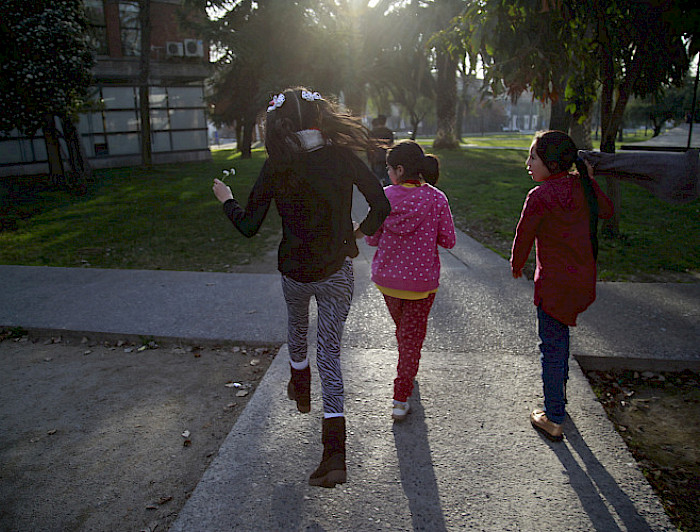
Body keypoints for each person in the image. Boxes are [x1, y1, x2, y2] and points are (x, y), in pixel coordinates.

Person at [212, 87, 390, 487]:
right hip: (336, 273)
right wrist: (358, 233)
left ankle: (300, 383)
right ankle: (335, 455)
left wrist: (226, 199)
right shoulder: (343, 155)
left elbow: (248, 226)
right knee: (330, 354)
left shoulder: (278, 164)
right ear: (319, 118)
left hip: (295, 273)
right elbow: (381, 205)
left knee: (296, 329)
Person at [510, 130, 614, 442]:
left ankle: (553, 416)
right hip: (582, 282)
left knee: (552, 347)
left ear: (551, 162)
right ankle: (560, 398)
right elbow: (606, 211)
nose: (528, 162)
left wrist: (516, 266)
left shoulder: (539, 196)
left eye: (533, 156)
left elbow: (524, 235)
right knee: (561, 340)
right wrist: (590, 180)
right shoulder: (582, 186)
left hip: (553, 286)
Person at [365, 140, 456, 421]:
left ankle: (408, 365)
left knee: (405, 334)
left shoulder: (384, 197)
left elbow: (371, 238)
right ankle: (400, 397)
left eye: (389, 168)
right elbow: (449, 240)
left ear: (400, 170)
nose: (387, 173)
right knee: (411, 339)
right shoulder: (437, 199)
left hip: (387, 280)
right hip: (421, 284)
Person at [368, 114, 395, 186]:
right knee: (387, 178)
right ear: (385, 121)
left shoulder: (372, 132)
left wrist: (369, 158)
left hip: (376, 158)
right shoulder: (389, 132)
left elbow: (369, 146)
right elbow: (392, 145)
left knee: (376, 179)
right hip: (386, 157)